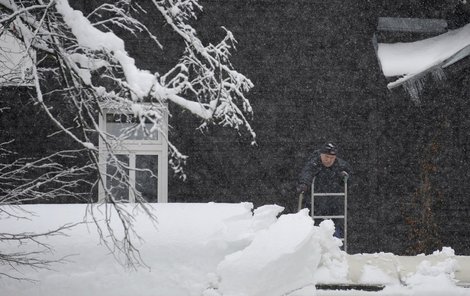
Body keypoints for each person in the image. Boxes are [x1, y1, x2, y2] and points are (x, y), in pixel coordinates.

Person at [296, 142, 352, 238]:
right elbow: (307, 173)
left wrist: (345, 176)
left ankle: (336, 249)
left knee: (335, 229)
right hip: (315, 203)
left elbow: (350, 176)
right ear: (321, 154)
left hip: (334, 203)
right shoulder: (314, 163)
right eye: (326, 157)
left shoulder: (340, 165)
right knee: (315, 229)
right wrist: (304, 184)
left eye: (332, 158)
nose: (329, 160)